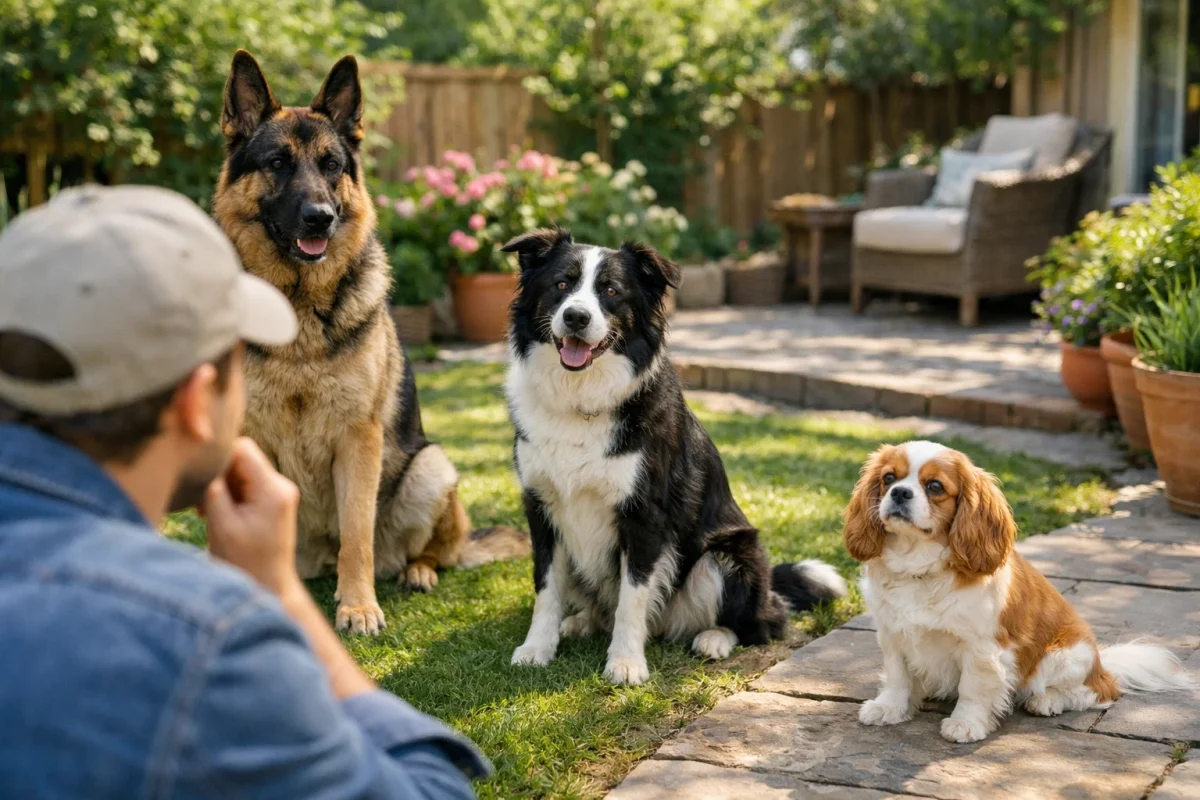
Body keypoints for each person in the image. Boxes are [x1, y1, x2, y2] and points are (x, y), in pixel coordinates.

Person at [0, 185, 491, 798]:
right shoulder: (205, 635)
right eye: (240, 357)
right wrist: (281, 592)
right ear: (195, 404)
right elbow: (431, 791)